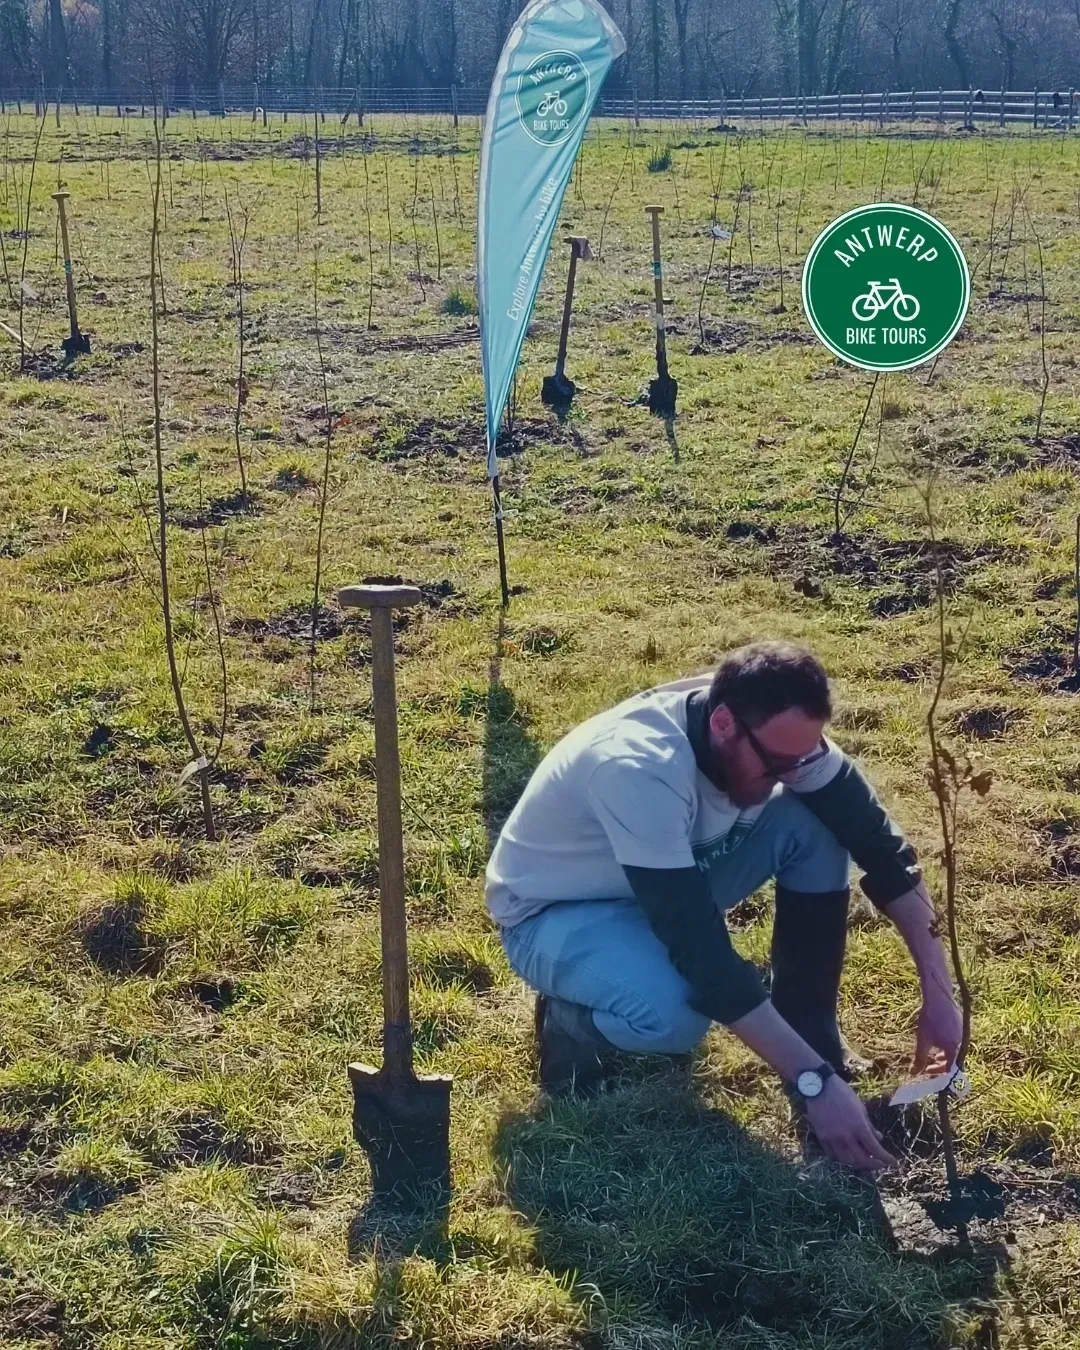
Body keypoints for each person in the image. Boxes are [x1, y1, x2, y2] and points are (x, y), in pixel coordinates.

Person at [485, 640, 963, 1172]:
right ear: (722, 724)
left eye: (802, 759)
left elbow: (885, 854)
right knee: (676, 1014)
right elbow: (702, 952)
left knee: (817, 821)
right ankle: (571, 1021)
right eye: (776, 764)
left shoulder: (782, 743)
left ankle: (811, 1031)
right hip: (556, 914)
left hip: (666, 884)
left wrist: (941, 998)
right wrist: (813, 1082)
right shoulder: (638, 767)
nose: (791, 774)